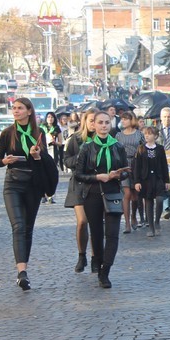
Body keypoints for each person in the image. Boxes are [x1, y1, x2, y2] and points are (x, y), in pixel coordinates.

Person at [0, 98, 51, 291]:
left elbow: (45, 161)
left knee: (27, 228)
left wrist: (37, 156)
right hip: (13, 183)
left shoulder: (39, 133)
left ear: (29, 111)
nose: (16, 111)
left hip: (33, 184)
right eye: (14, 108)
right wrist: (5, 160)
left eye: (20, 108)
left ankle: (23, 269)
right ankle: (22, 273)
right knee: (18, 226)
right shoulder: (7, 133)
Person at [74, 111, 131, 288]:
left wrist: (117, 175)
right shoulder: (87, 147)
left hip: (113, 193)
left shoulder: (118, 146)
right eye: (100, 122)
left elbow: (125, 171)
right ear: (94, 125)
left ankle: (106, 270)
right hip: (92, 194)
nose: (104, 125)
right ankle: (98, 266)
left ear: (111, 124)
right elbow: (78, 174)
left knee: (112, 235)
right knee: (97, 234)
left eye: (107, 122)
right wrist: (98, 177)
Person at [64, 109, 98, 273]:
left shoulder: (104, 139)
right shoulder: (76, 139)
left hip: (96, 184)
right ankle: (81, 255)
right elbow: (67, 160)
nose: (94, 123)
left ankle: (95, 257)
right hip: (78, 184)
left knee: (96, 223)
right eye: (91, 120)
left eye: (96, 120)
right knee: (82, 221)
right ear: (85, 121)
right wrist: (80, 157)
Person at [133, 126, 170, 237]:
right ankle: (151, 227)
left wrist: (167, 180)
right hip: (146, 179)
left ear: (155, 136)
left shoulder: (160, 148)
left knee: (159, 199)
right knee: (148, 202)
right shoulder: (141, 149)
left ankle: (157, 221)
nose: (147, 136)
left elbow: (164, 165)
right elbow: (137, 167)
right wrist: (137, 181)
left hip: (158, 178)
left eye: (149, 134)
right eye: (145, 134)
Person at [117, 112, 144, 233]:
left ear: (132, 120)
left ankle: (134, 215)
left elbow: (144, 148)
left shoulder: (139, 134)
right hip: (123, 164)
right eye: (122, 119)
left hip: (136, 163)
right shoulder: (118, 135)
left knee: (135, 194)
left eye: (126, 119)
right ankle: (127, 223)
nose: (123, 121)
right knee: (126, 194)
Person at [39, 111, 62, 204]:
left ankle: (51, 195)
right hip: (43, 151)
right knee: (43, 173)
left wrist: (55, 142)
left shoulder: (57, 128)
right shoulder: (41, 128)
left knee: (52, 174)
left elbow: (61, 142)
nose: (50, 119)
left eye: (52, 117)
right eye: (48, 117)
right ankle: (43, 194)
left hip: (53, 151)